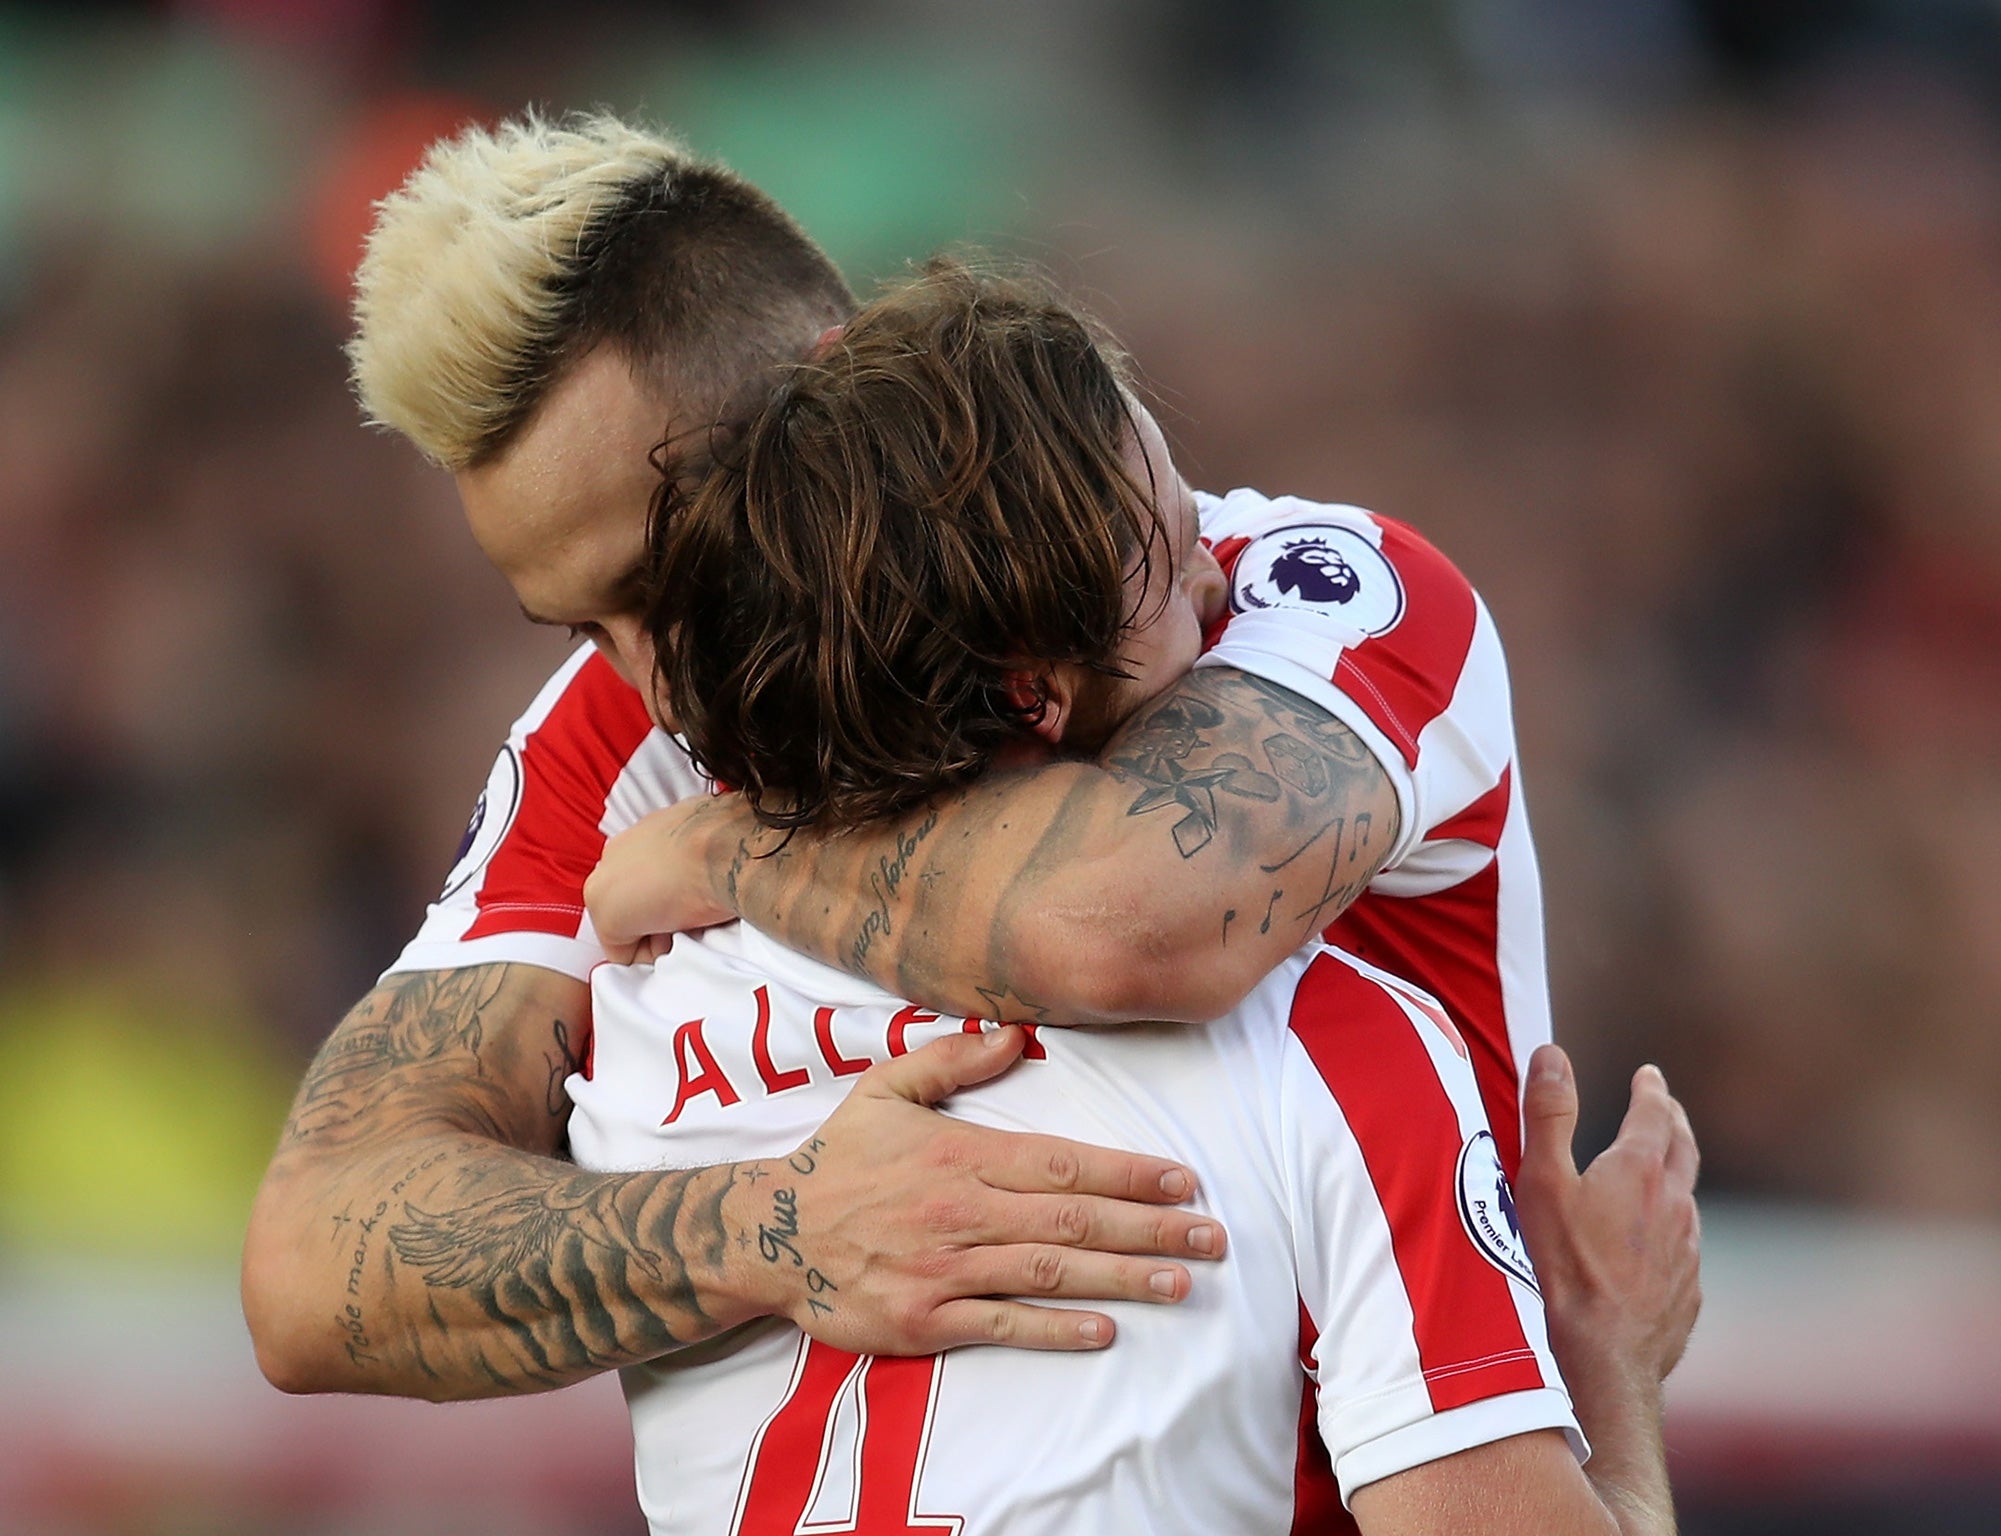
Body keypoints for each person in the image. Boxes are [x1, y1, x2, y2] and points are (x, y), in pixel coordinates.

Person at [242, 112, 1694, 1423]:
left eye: (670, 576)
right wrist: (774, 1230)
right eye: (582, 624)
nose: (656, 685)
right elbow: (314, 1262)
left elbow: (1127, 920)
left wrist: (728, 856)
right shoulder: (615, 737)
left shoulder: (1289, 598)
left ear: (827, 406)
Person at [562, 265, 1694, 1533]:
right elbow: (1121, 933)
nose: (1229, 581)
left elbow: (358, 1293)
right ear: (1035, 695)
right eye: (1172, 565)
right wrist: (1611, 1361)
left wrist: (733, 858)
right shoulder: (1334, 1057)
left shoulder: (642, 1026)